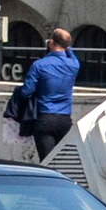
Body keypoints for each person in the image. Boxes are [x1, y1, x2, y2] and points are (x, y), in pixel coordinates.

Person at [25, 27, 81, 159]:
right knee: (62, 162)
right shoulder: (74, 65)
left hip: (45, 118)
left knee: (47, 161)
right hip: (65, 120)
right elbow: (70, 53)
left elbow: (26, 91)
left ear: (51, 42)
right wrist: (66, 46)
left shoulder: (39, 65)